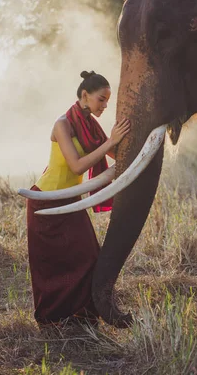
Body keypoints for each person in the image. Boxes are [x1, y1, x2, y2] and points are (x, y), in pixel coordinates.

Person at [26, 70, 131, 327]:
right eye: (101, 99)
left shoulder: (90, 125)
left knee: (89, 256)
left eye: (108, 100)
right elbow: (76, 166)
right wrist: (110, 145)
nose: (105, 105)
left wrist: (131, 138)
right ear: (85, 96)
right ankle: (51, 319)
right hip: (46, 201)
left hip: (70, 201)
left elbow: (116, 156)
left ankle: (83, 315)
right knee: (51, 264)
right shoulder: (62, 124)